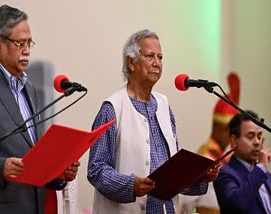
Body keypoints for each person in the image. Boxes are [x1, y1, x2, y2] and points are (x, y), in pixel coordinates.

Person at [0, 5, 80, 214]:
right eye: (20, 43)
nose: (27, 50)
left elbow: (29, 157)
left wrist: (56, 173)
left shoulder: (28, 88)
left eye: (29, 43)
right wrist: (0, 168)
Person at [87, 29, 219, 214]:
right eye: (150, 56)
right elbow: (96, 169)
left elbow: (174, 176)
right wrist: (131, 185)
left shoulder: (164, 105)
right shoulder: (112, 108)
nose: (157, 63)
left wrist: (201, 177)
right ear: (131, 62)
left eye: (160, 57)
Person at [179, 72, 240, 214]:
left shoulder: (223, 157)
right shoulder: (207, 158)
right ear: (218, 129)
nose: (232, 136)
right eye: (229, 131)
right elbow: (195, 204)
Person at [213, 110, 271, 213]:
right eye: (250, 136)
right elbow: (237, 205)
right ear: (234, 140)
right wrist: (261, 166)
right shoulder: (225, 174)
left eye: (259, 136)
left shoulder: (266, 175)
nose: (257, 142)